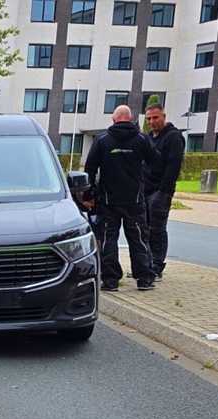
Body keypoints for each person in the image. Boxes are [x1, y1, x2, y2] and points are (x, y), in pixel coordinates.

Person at [84, 106, 160, 292]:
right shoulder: (142, 139)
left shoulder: (102, 140)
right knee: (138, 238)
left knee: (109, 239)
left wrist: (88, 195)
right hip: (135, 199)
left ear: (113, 119)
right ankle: (144, 279)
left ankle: (110, 281)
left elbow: (90, 169)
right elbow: (156, 162)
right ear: (131, 118)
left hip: (108, 201)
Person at [142, 104, 185, 279]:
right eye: (149, 119)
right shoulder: (148, 138)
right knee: (144, 229)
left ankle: (157, 266)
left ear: (163, 116)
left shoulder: (173, 138)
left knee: (157, 229)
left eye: (155, 118)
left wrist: (163, 191)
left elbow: (173, 167)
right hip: (144, 190)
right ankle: (146, 265)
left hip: (160, 191)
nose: (152, 122)